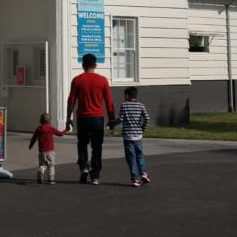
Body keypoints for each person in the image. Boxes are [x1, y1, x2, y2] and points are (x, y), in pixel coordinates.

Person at [65, 53, 115, 185]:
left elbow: (71, 101)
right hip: (97, 118)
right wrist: (112, 119)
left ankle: (84, 167)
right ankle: (95, 175)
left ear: (82, 65)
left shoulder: (77, 80)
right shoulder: (103, 80)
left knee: (82, 144)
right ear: (95, 65)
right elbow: (109, 102)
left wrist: (68, 118)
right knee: (97, 147)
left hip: (82, 117)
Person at [111, 86, 150, 187]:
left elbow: (121, 119)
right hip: (138, 136)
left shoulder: (124, 105)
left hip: (128, 136)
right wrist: (142, 128)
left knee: (131, 158)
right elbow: (147, 118)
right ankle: (144, 174)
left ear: (127, 95)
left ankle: (135, 179)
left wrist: (112, 123)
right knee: (140, 155)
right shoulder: (141, 105)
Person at [28, 112, 67, 185]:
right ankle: (51, 180)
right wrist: (66, 130)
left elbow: (33, 138)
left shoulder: (38, 129)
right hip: (50, 151)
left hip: (41, 152)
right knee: (51, 166)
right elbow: (60, 134)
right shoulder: (51, 128)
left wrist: (30, 145)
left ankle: (41, 170)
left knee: (42, 164)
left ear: (40, 121)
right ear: (50, 121)